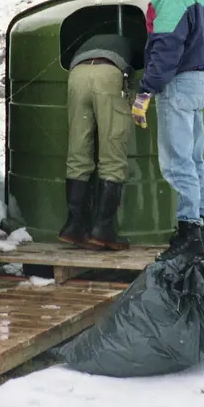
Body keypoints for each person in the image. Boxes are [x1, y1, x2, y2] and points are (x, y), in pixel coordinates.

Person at [131, 0, 204, 262]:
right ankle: (199, 226)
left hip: (177, 86)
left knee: (176, 161)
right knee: (195, 158)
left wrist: (145, 92)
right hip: (200, 82)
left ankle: (188, 233)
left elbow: (166, 52)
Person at [58, 31, 135, 250]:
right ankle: (103, 228)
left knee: (78, 150)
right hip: (108, 74)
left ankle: (74, 225)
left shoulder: (89, 40)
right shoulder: (131, 43)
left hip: (77, 74)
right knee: (112, 153)